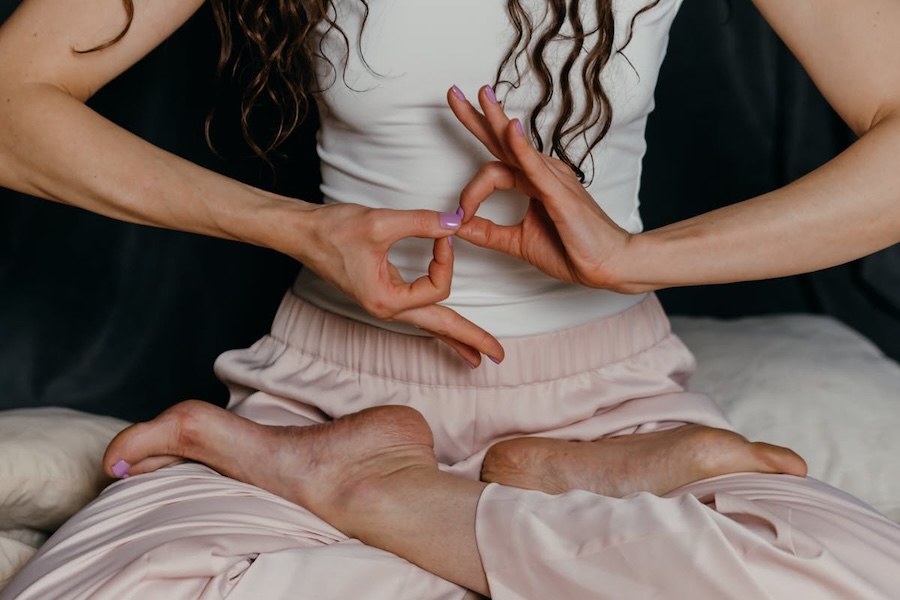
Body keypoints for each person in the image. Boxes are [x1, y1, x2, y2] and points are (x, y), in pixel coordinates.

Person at [1, 0, 899, 598]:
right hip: (330, 395)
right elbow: (12, 102)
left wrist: (635, 257)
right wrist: (300, 227)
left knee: (854, 576)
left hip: (612, 403)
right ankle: (359, 468)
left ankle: (379, 491)